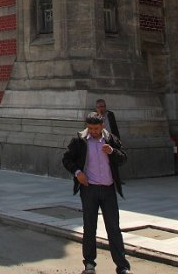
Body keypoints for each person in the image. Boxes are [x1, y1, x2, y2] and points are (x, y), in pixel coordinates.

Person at [62, 112, 131, 274]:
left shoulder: (110, 139)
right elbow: (66, 159)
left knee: (113, 228)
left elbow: (123, 158)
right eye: (90, 128)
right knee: (89, 227)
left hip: (108, 189)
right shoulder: (79, 141)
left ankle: (122, 266)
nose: (93, 131)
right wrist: (78, 173)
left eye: (96, 128)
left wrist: (112, 151)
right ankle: (89, 263)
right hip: (89, 189)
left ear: (102, 126)